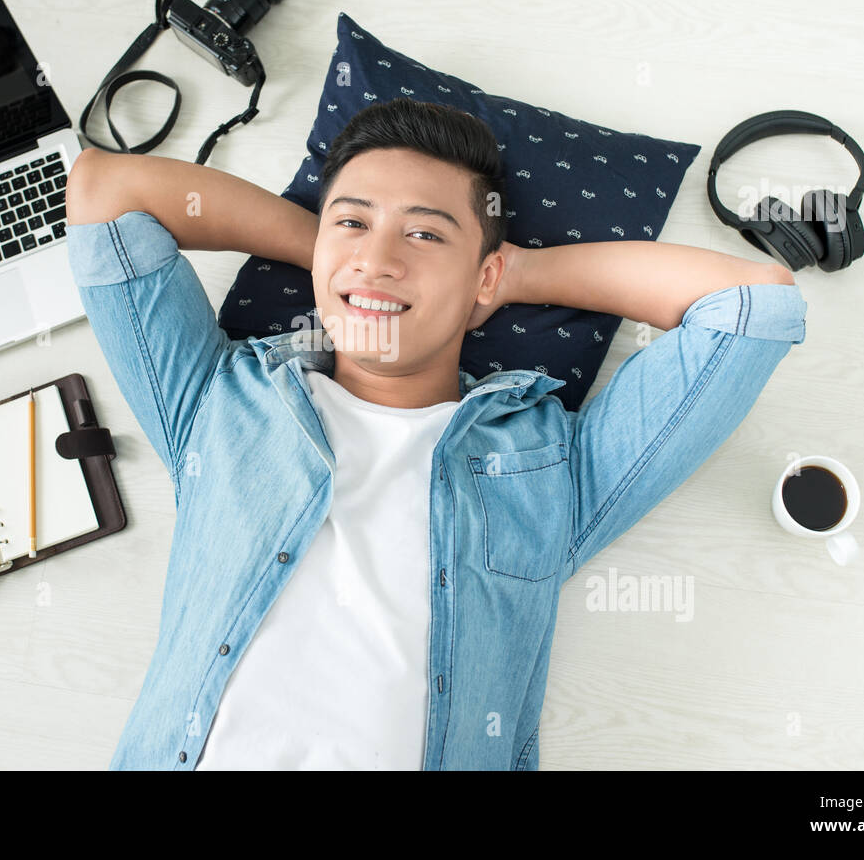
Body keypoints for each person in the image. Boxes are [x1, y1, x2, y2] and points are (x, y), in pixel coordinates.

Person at [63, 98, 806, 770]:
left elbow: (751, 304)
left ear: (482, 276)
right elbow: (105, 190)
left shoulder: (546, 465)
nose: (382, 256)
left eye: (424, 233)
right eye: (352, 219)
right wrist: (340, 261)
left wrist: (516, 275)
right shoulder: (217, 399)